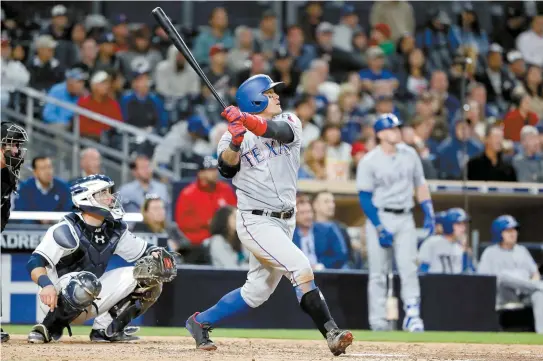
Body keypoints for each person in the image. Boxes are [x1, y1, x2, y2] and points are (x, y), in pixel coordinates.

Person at [185, 74, 353, 356]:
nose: (276, 96)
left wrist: (247, 122)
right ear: (255, 99)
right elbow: (226, 169)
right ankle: (331, 332)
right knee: (300, 267)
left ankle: (199, 322)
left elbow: (276, 131)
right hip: (255, 220)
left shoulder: (291, 121)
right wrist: (236, 142)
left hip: (285, 219)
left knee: (256, 292)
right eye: (270, 92)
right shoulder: (229, 135)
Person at [25, 175, 177, 343]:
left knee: (151, 278)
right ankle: (47, 328)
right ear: (86, 198)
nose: (110, 197)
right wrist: (46, 285)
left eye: (108, 192)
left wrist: (157, 254)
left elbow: (145, 250)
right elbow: (36, 261)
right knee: (87, 282)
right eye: (103, 193)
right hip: (55, 300)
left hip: (90, 295)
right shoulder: (66, 228)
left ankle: (106, 330)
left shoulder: (114, 229)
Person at [356, 113, 435, 332]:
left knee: (409, 268)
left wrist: (428, 208)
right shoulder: (369, 160)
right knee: (378, 273)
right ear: (380, 134)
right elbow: (364, 197)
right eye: (392, 129)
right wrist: (379, 226)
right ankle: (378, 321)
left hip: (405, 216)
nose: (397, 132)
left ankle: (412, 315)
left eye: (398, 128)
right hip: (380, 216)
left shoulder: (410, 154)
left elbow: (420, 184)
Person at [478, 215, 543, 334]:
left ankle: (541, 334)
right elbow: (484, 280)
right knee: (503, 277)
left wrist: (533, 283)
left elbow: (535, 273)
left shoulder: (522, 250)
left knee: (539, 294)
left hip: (525, 294)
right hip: (504, 294)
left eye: (514, 230)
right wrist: (536, 284)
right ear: (499, 233)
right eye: (508, 231)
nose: (513, 234)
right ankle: (540, 286)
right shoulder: (490, 253)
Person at [1, 121, 28, 343]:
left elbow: (3, 211)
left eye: (18, 146)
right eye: (11, 145)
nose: (16, 151)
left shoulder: (7, 176)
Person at [174, 155, 236, 245]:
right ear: (200, 173)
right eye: (210, 170)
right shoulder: (188, 194)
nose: (215, 173)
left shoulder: (225, 189)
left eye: (216, 169)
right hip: (198, 242)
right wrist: (206, 222)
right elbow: (182, 223)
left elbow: (235, 212)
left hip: (226, 238)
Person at [293, 198, 349, 270]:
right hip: (299, 275)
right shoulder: (291, 235)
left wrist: (320, 266)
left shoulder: (328, 230)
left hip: (325, 274)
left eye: (309, 212)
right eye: (302, 213)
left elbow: (341, 255)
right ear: (295, 216)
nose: (307, 216)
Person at [418, 208, 474, 274]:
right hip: (434, 282)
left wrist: (465, 253)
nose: (463, 228)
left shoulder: (460, 247)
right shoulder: (432, 242)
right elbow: (422, 271)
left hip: (455, 283)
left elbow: (467, 274)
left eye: (464, 224)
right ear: (449, 224)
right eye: (459, 224)